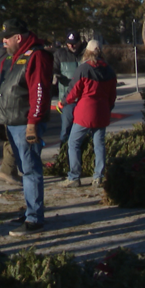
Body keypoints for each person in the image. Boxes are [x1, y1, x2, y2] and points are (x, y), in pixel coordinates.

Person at [0, 18, 53, 236]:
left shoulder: (36, 56)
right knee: (24, 168)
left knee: (30, 169)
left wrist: (33, 123)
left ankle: (34, 219)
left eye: (6, 38)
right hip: (13, 122)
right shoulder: (17, 57)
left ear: (18, 38)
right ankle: (31, 210)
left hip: (26, 123)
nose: (3, 43)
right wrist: (2, 120)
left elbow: (39, 92)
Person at [58, 40, 117, 188]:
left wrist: (63, 102)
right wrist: (108, 108)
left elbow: (73, 90)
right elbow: (112, 95)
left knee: (74, 143)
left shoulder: (84, 69)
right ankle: (99, 176)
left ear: (87, 52)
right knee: (99, 144)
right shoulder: (109, 70)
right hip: (102, 110)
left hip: (85, 111)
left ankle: (74, 176)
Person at [0, 46, 22, 186]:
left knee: (7, 137)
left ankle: (11, 170)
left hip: (0, 102)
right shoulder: (7, 61)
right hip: (8, 103)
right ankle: (7, 170)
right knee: (11, 139)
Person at [53, 30, 86, 143]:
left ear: (80, 42)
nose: (72, 45)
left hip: (84, 98)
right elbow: (54, 69)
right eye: (69, 43)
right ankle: (64, 153)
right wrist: (56, 76)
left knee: (85, 129)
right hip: (67, 99)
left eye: (74, 43)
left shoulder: (86, 54)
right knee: (66, 129)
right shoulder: (60, 54)